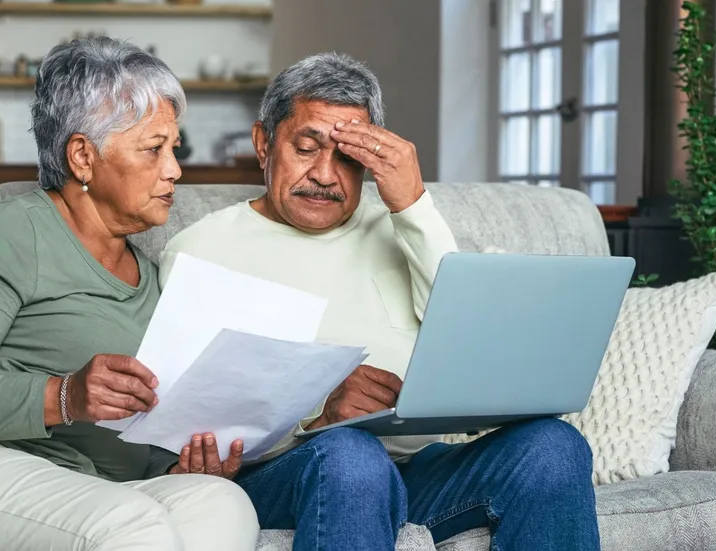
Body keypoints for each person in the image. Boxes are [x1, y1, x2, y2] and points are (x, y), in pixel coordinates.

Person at [159, 53, 600, 551]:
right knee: (351, 453)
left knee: (555, 447)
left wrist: (412, 203)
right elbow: (192, 423)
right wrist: (318, 418)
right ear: (264, 144)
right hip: (286, 474)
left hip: (415, 470)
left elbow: (471, 346)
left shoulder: (403, 228)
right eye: (306, 149)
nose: (326, 174)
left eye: (348, 157)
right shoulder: (205, 249)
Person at [0, 38, 259, 551]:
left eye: (175, 148)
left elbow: (135, 441)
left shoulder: (152, 282)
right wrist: (63, 395)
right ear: (83, 156)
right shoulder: (3, 235)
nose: (174, 169)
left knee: (222, 505)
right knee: (130, 524)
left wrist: (179, 463)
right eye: (153, 149)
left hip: (82, 489)